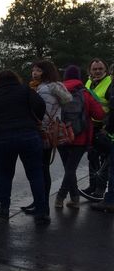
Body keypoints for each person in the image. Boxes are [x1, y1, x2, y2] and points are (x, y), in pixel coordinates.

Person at [0, 70, 50, 225]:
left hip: (4, 138)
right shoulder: (25, 90)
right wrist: (34, 120)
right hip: (28, 135)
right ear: (16, 78)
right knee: (35, 174)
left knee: (6, 175)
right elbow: (40, 105)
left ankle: (4, 209)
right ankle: (41, 211)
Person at [22, 60, 72, 214]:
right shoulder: (54, 87)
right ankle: (39, 202)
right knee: (43, 169)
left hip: (42, 132)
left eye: (37, 70)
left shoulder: (44, 90)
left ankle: (40, 204)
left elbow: (40, 112)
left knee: (40, 170)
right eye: (33, 70)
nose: (34, 73)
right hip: (52, 132)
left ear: (45, 72)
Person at [56, 65, 104, 208]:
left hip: (61, 135)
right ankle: (63, 197)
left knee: (68, 169)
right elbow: (99, 115)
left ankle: (73, 198)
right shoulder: (85, 93)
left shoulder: (57, 92)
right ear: (79, 77)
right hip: (80, 137)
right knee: (71, 169)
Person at [83, 58, 112, 198]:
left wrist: (108, 126)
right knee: (92, 156)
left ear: (105, 70)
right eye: (94, 69)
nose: (98, 71)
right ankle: (92, 186)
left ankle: (100, 190)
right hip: (91, 126)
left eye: (100, 69)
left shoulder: (110, 83)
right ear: (90, 71)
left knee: (105, 159)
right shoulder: (88, 82)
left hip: (104, 127)